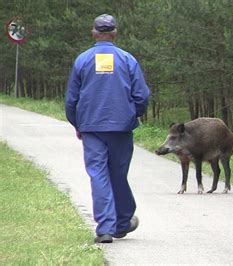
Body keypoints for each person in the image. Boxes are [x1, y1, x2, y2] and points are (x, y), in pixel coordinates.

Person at [65, 14, 150, 243]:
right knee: (118, 174)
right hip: (121, 127)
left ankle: (106, 228)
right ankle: (122, 222)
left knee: (98, 174)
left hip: (91, 127)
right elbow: (141, 95)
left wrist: (77, 123)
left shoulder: (83, 60)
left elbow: (71, 99)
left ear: (93, 33)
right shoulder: (127, 59)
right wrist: (133, 114)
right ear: (114, 33)